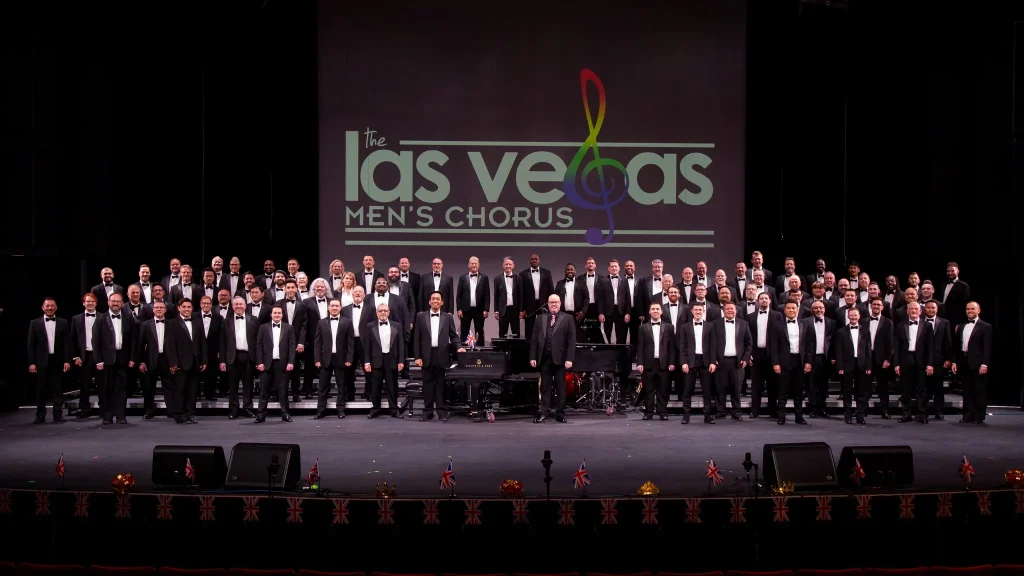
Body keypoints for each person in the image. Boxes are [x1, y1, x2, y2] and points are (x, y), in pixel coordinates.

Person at [414, 291, 464, 421]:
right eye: (433, 299)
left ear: (442, 302)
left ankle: (441, 411)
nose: (435, 301)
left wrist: (459, 347)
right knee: (427, 385)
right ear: (429, 301)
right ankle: (427, 411)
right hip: (426, 355)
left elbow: (453, 336)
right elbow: (416, 339)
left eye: (438, 299)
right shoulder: (420, 317)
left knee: (441, 385)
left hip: (442, 355)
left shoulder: (447, 317)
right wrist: (417, 357)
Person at [529, 294, 576, 423]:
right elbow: (534, 340)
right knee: (545, 387)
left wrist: (569, 359)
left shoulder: (568, 318)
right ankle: (544, 412)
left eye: (556, 302)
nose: (554, 304)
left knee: (561, 387)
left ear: (560, 303)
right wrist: (533, 357)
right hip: (545, 359)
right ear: (547, 304)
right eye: (551, 302)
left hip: (561, 359)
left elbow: (571, 341)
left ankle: (560, 413)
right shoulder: (540, 318)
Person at [95, 292, 138, 424]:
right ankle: (107, 416)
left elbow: (133, 341)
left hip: (123, 358)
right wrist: (99, 360)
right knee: (107, 387)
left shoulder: (128, 318)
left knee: (122, 388)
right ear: (108, 302)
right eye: (113, 301)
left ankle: (121, 415)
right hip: (107, 359)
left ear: (122, 303)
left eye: (118, 301)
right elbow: (95, 341)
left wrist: (132, 358)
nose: (115, 304)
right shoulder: (101, 318)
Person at [27, 298, 71, 423]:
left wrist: (67, 360)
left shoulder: (63, 323)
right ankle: (40, 415)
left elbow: (67, 344)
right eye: (47, 306)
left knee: (58, 390)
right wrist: (31, 362)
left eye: (52, 306)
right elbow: (31, 345)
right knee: (41, 390)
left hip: (57, 361)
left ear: (56, 307)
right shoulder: (34, 323)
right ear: (43, 307)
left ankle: (58, 415)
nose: (50, 308)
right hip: (41, 361)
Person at [893, 301, 935, 424]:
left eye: (916, 309)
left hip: (921, 360)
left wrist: (930, 363)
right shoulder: (901, 326)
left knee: (921, 388)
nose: (914, 311)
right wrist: (896, 364)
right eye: (911, 309)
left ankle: (922, 414)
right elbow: (897, 346)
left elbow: (930, 347)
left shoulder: (927, 325)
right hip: (906, 359)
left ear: (920, 311)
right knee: (906, 389)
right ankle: (906, 414)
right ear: (907, 311)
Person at [708, 302, 751, 420]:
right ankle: (720, 411)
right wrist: (713, 359)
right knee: (720, 388)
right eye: (727, 309)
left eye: (732, 309)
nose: (730, 311)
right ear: (723, 311)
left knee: (736, 389)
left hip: (737, 362)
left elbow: (748, 343)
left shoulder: (744, 324)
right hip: (720, 362)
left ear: (736, 311)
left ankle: (736, 412)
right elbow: (711, 344)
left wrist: (745, 358)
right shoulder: (715, 324)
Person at [952, 301, 992, 425]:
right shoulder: (961, 326)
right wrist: (954, 362)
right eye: (968, 309)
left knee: (979, 390)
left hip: (978, 363)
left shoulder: (986, 326)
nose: (969, 311)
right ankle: (967, 415)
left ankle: (979, 416)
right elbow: (956, 346)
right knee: (967, 390)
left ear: (978, 311)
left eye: (972, 309)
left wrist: (984, 364)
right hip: (964, 361)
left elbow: (987, 347)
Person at [169, 298, 208, 424]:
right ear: (179, 308)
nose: (187, 309)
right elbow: (170, 345)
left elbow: (202, 342)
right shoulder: (172, 323)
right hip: (180, 363)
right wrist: (173, 362)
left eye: (189, 307)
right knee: (180, 390)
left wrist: (204, 360)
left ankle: (190, 414)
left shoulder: (197, 322)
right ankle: (179, 414)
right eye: (184, 307)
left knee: (192, 391)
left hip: (195, 362)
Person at [314, 298, 354, 419]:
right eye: (332, 306)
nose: (334, 308)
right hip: (325, 358)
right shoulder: (321, 322)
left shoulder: (347, 322)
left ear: (340, 308)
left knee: (341, 385)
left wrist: (349, 358)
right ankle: (320, 410)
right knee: (322, 386)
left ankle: (341, 410)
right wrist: (317, 359)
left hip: (341, 358)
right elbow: (317, 342)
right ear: (328, 308)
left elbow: (350, 343)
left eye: (337, 306)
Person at [364, 303, 406, 419]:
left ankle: (394, 409)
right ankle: (375, 409)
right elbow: (367, 346)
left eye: (385, 310)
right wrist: (367, 361)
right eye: (380, 311)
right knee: (375, 387)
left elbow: (401, 345)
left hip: (391, 359)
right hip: (375, 360)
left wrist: (401, 361)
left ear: (389, 312)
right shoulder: (370, 326)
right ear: (377, 313)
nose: (383, 312)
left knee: (392, 386)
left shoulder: (397, 326)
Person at [219, 296, 259, 419]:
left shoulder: (254, 319)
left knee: (248, 384)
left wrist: (258, 359)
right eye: (236, 304)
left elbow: (258, 341)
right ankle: (233, 409)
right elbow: (222, 342)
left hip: (248, 356)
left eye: (241, 304)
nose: (238, 306)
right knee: (233, 385)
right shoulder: (226, 321)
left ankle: (247, 408)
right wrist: (222, 361)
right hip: (232, 356)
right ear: (232, 307)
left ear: (245, 305)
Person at [255, 305, 296, 423]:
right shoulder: (263, 328)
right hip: (266, 363)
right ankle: (261, 415)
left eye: (279, 313)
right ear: (271, 314)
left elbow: (292, 347)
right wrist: (260, 362)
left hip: (282, 363)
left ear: (282, 315)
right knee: (264, 391)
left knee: (283, 391)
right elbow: (259, 346)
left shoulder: (289, 328)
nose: (277, 315)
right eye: (275, 313)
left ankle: (285, 413)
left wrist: (290, 362)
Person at [636, 302, 676, 420]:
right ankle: (648, 412)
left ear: (661, 311)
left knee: (663, 389)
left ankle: (662, 411)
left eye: (657, 309)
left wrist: (672, 362)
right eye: (653, 309)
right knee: (648, 389)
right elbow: (640, 346)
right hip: (648, 363)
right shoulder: (643, 327)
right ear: (649, 312)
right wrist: (640, 363)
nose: (655, 311)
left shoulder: (669, 327)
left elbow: (672, 347)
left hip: (664, 363)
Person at [834, 307, 873, 425]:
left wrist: (869, 366)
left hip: (862, 364)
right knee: (847, 391)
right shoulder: (841, 332)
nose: (853, 317)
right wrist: (839, 366)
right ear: (848, 316)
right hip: (847, 364)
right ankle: (848, 415)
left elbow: (868, 350)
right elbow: (839, 351)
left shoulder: (865, 331)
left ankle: (860, 415)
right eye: (851, 315)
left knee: (861, 391)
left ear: (859, 316)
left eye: (855, 315)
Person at [772, 301, 809, 425]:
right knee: (782, 391)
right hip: (784, 362)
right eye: (789, 308)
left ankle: (799, 416)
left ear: (797, 309)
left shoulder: (804, 324)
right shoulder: (777, 325)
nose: (791, 310)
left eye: (793, 308)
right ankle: (781, 416)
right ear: (784, 310)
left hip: (799, 361)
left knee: (798, 391)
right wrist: (775, 363)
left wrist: (808, 362)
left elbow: (809, 345)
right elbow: (774, 346)